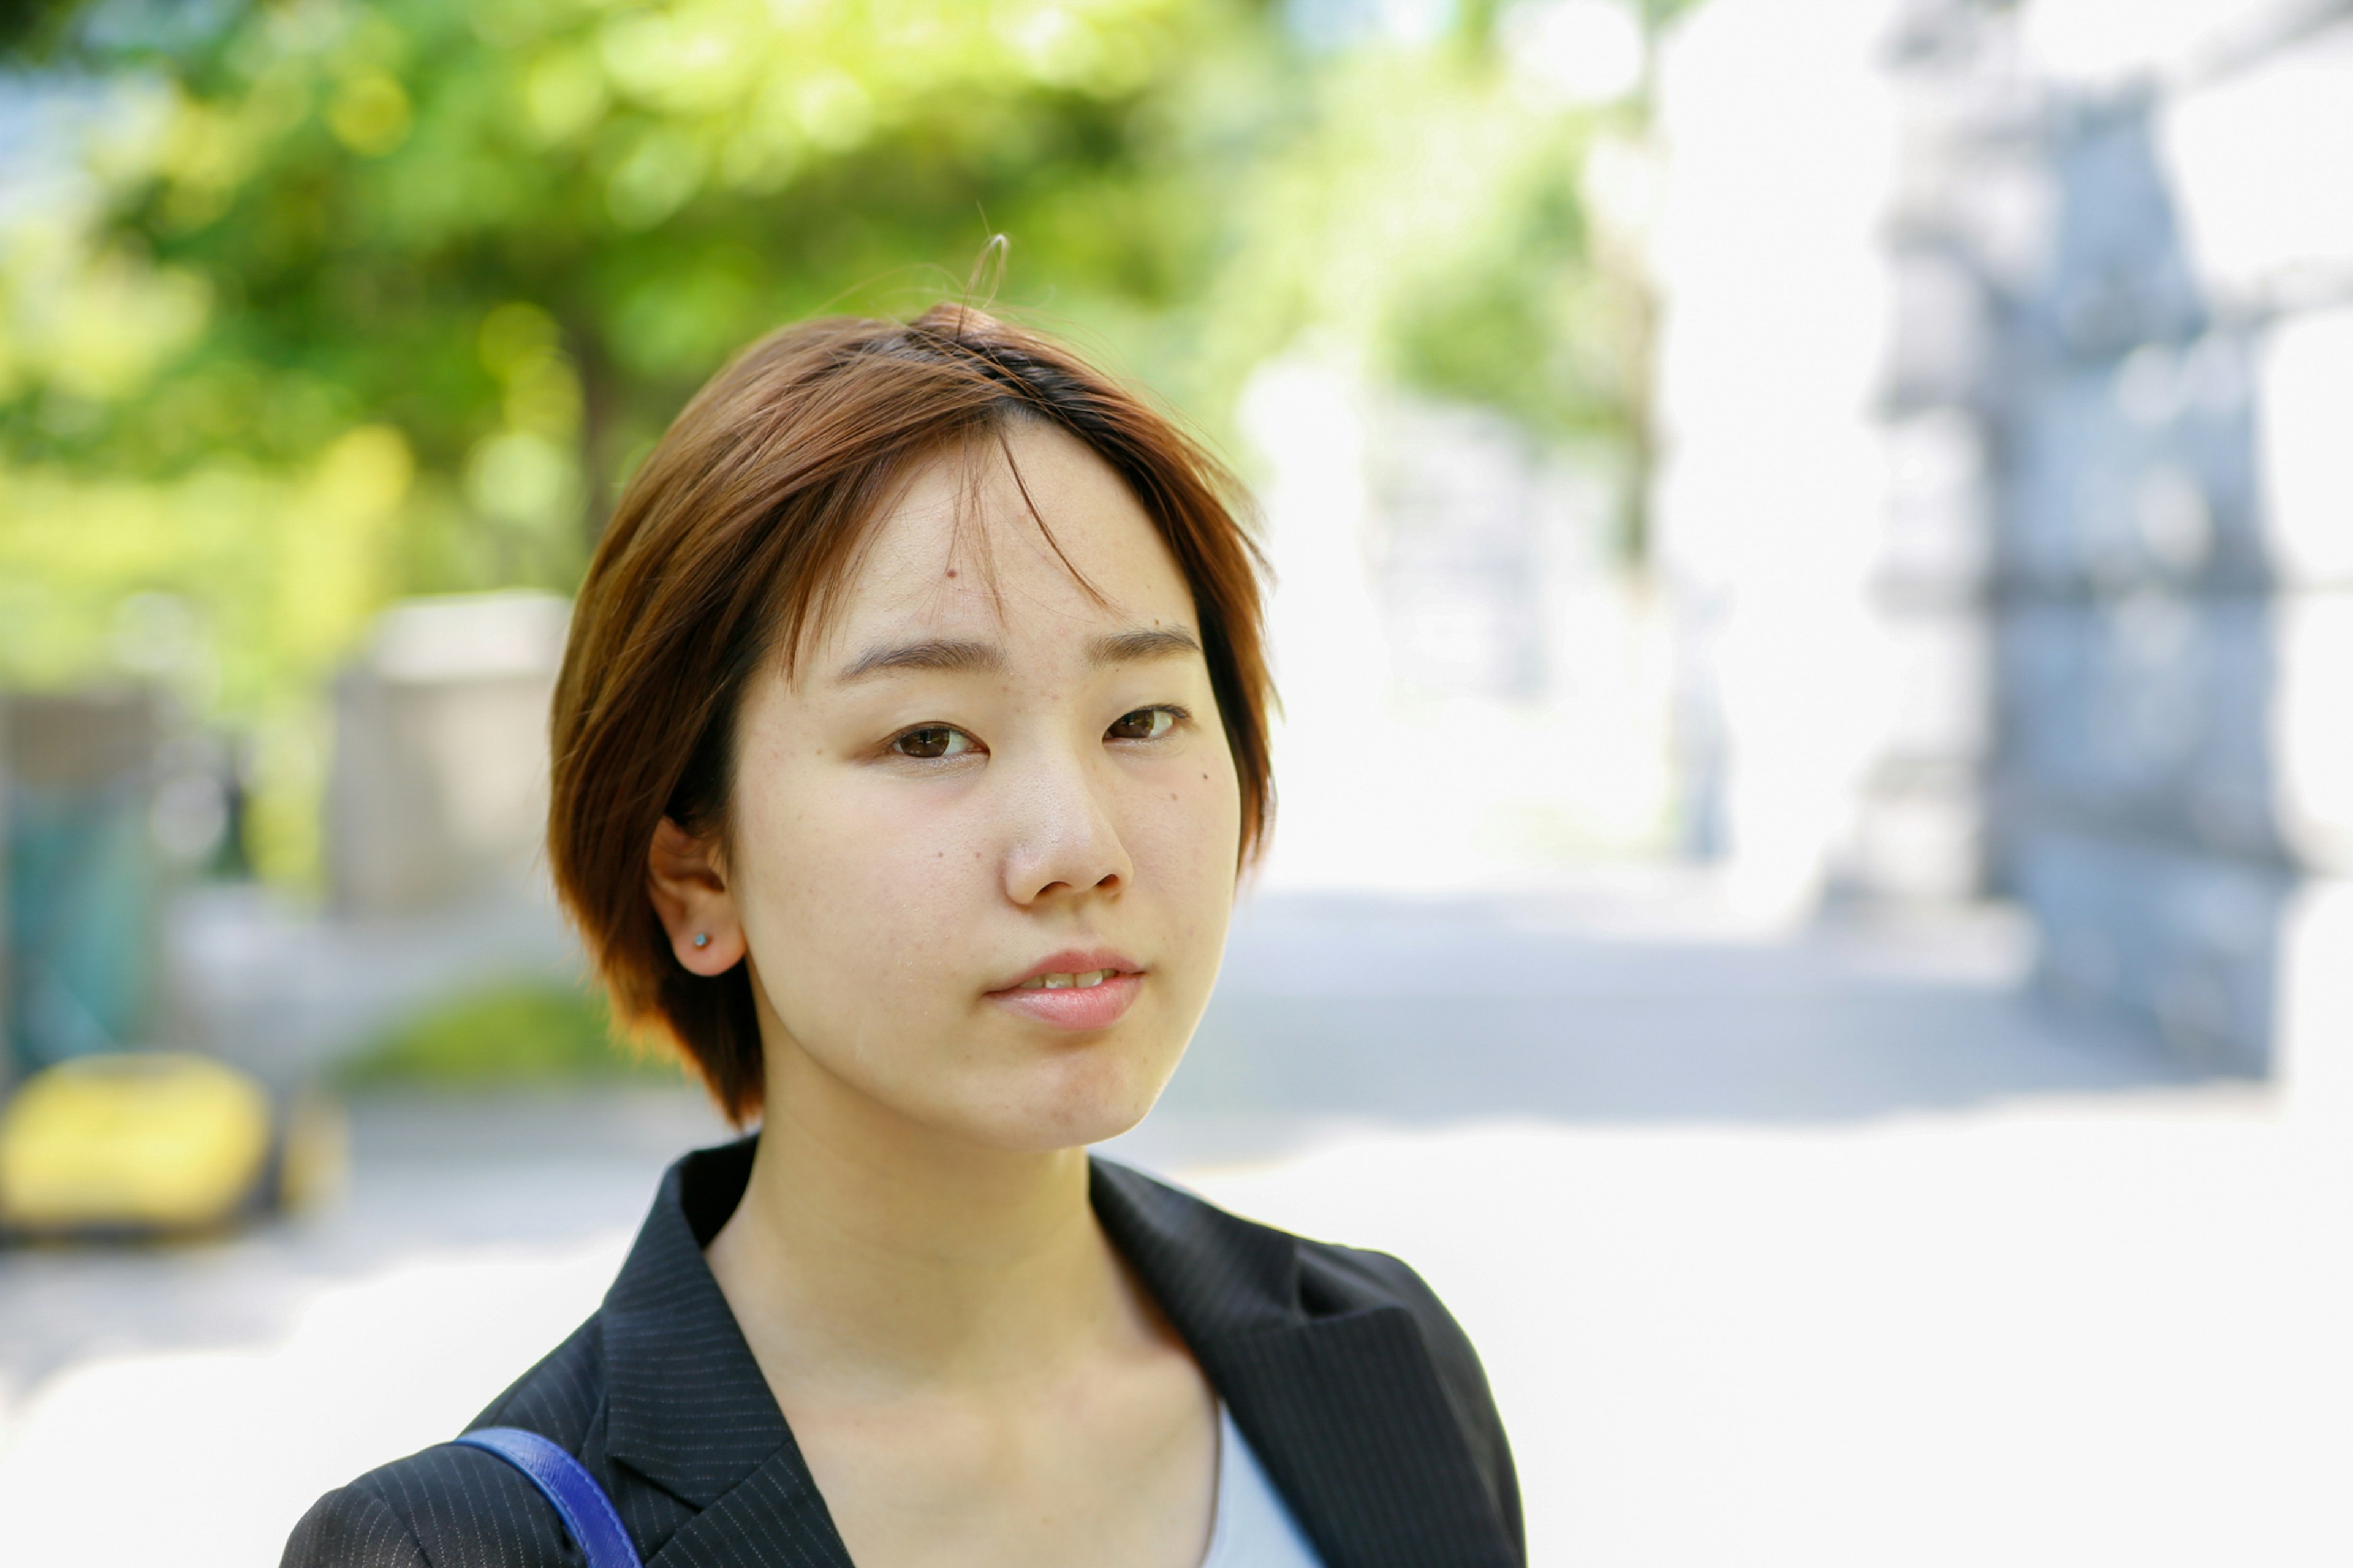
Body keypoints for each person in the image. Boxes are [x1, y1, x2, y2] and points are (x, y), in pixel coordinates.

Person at [282, 304, 1523, 1567]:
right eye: (929, 737)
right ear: (696, 874)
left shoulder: (1388, 1359)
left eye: (1143, 717)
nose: (1077, 844)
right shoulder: (463, 1549)